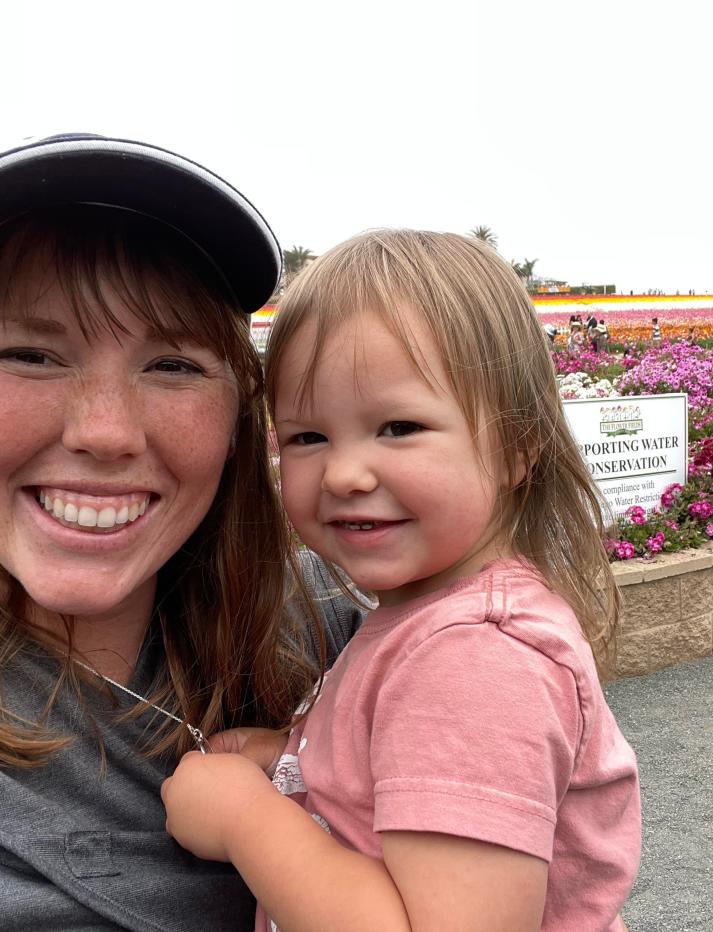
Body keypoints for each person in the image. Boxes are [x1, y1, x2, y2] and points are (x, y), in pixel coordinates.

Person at [0, 133, 362, 929]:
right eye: (33, 355)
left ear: (239, 405)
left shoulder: (347, 639)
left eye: (174, 365)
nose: (106, 432)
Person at [162, 231, 641, 931]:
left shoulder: (473, 661)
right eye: (307, 437)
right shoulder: (429, 619)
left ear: (517, 443)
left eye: (398, 426)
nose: (344, 473)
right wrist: (295, 759)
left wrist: (244, 819)